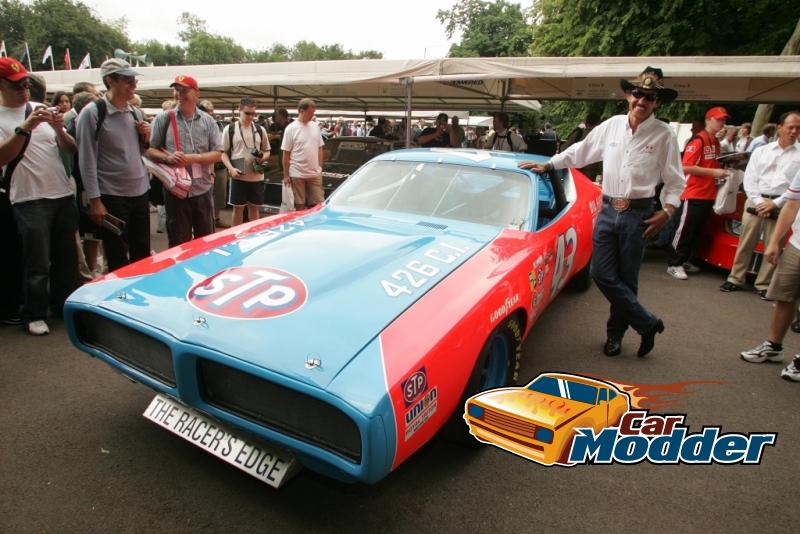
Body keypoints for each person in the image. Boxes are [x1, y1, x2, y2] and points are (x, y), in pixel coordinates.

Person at [519, 66, 683, 358]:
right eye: (638, 94)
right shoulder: (612, 125)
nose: (641, 101)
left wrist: (668, 211)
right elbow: (582, 151)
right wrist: (549, 164)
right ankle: (646, 323)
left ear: (657, 102)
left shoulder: (664, 135)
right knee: (600, 272)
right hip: (608, 209)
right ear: (628, 95)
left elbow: (675, 181)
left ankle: (615, 337)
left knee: (627, 278)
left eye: (649, 97)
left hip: (639, 214)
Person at [0, 57, 79, 335]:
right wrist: (25, 128)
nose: (23, 90)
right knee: (36, 261)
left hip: (60, 194)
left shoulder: (40, 108)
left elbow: (70, 148)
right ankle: (33, 313)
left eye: (26, 84)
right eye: (16, 86)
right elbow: (2, 157)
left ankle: (63, 306)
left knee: (65, 258)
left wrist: (58, 128)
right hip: (28, 199)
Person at [76, 58, 152, 272]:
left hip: (140, 191)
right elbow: (86, 160)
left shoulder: (135, 112)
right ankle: (121, 301)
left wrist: (145, 137)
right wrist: (95, 201)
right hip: (112, 195)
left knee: (143, 252)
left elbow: (141, 152)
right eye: (128, 80)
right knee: (117, 254)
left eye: (134, 80)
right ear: (110, 81)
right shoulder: (92, 113)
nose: (134, 85)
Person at [720, 111, 800, 297]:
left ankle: (763, 284)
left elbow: (796, 186)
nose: (794, 131)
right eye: (790, 127)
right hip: (756, 199)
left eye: (798, 128)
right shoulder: (762, 151)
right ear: (779, 128)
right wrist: (758, 201)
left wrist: (776, 203)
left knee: (775, 244)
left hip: (783, 203)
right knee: (746, 241)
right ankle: (735, 278)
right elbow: (750, 178)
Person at [145, 75, 222, 247]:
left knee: (206, 242)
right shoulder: (163, 119)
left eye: (184, 90)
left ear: (196, 93)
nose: (179, 94)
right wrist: (167, 158)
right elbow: (149, 149)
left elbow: (218, 152)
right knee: (179, 243)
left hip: (202, 189)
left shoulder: (208, 121)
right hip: (175, 192)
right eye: (176, 90)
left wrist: (193, 158)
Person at [740, 165, 800, 382]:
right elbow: (792, 204)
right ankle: (773, 347)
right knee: (784, 296)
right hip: (797, 244)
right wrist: (775, 241)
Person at [666, 106, 731, 280]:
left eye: (724, 120)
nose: (722, 123)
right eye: (719, 119)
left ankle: (686, 259)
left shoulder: (715, 142)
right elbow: (685, 166)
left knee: (697, 230)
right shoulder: (698, 140)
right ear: (708, 120)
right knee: (685, 230)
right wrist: (713, 173)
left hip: (708, 193)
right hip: (693, 193)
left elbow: (711, 165)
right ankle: (674, 263)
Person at [221, 97, 270, 226]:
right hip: (238, 176)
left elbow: (267, 151)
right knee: (238, 209)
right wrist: (231, 169)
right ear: (239, 111)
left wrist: (263, 157)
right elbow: (223, 153)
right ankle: (235, 238)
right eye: (247, 113)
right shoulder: (230, 129)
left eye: (253, 114)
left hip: (257, 177)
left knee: (254, 209)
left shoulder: (260, 130)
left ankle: (253, 238)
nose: (251, 117)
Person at [281, 98, 324, 211]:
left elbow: (320, 148)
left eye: (313, 113)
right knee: (299, 205)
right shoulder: (291, 128)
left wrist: (319, 167)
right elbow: (286, 153)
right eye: (310, 113)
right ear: (301, 111)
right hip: (297, 173)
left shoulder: (315, 126)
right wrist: (286, 175)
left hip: (314, 173)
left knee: (318, 205)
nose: (312, 115)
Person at [200, 99, 229, 228]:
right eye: (208, 110)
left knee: (220, 193)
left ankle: (216, 218)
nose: (210, 113)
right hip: (205, 166)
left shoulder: (219, 125)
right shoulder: (198, 125)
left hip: (220, 165)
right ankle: (206, 220)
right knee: (205, 194)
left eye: (212, 110)